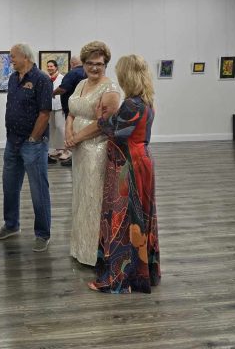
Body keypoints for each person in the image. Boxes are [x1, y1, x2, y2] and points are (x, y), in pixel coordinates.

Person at [89, 54, 160, 293]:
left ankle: (119, 279)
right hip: (141, 160)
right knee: (139, 216)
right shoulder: (147, 101)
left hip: (128, 163)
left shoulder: (132, 104)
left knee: (125, 218)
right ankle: (140, 274)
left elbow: (116, 132)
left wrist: (101, 118)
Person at [0, 43, 53, 252]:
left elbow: (45, 113)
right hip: (12, 141)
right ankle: (11, 225)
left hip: (32, 144)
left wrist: (34, 138)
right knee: (9, 186)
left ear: (25, 57)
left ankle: (42, 234)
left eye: (12, 56)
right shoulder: (13, 78)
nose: (10, 60)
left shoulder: (41, 79)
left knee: (38, 190)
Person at [65, 41, 121, 266]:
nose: (94, 68)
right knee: (81, 197)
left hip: (97, 150)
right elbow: (71, 112)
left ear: (106, 64)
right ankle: (80, 248)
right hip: (79, 151)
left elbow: (104, 124)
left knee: (94, 199)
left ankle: (95, 253)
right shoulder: (80, 83)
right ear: (84, 64)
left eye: (99, 64)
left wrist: (76, 138)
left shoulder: (111, 90)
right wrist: (68, 132)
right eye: (90, 63)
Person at [53, 56, 86, 166]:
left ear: (72, 63)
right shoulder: (86, 72)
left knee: (72, 132)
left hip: (73, 109)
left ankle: (73, 158)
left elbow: (63, 88)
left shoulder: (72, 73)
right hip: (85, 109)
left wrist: (53, 93)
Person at [45, 59, 67, 163]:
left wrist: (64, 105)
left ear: (56, 67)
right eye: (48, 66)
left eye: (51, 66)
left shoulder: (62, 78)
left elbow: (64, 92)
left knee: (60, 127)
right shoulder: (47, 78)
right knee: (52, 128)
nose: (49, 68)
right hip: (50, 106)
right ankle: (57, 149)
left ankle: (65, 150)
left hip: (59, 106)